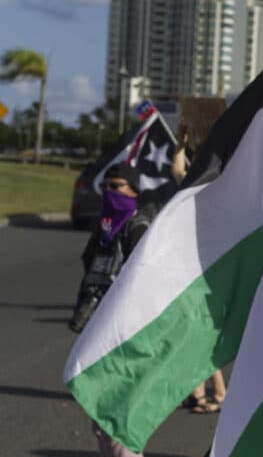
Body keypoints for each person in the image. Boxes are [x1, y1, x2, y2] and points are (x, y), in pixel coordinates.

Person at [75, 163, 158, 457]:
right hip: (99, 328)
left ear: (134, 190)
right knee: (100, 416)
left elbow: (148, 278)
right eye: (106, 187)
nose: (110, 192)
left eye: (117, 186)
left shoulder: (139, 227)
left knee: (115, 416)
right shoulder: (105, 227)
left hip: (126, 331)